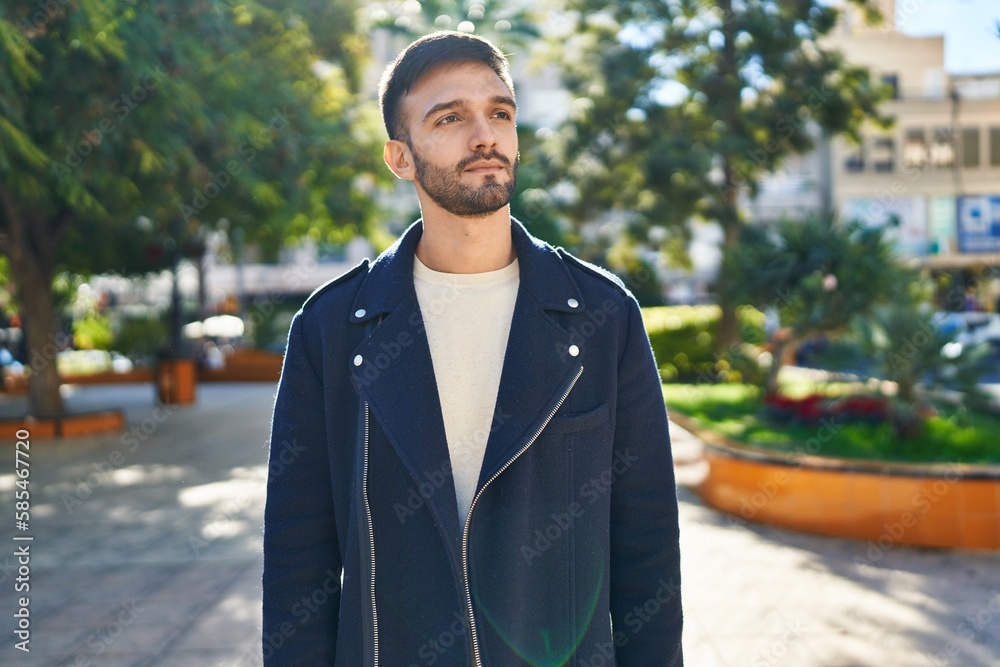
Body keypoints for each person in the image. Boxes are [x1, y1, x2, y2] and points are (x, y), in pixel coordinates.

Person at [262, 31, 683, 666]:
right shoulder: (332, 329)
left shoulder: (603, 317)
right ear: (399, 158)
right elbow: (299, 557)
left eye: (500, 112)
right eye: (450, 117)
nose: (484, 134)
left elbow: (647, 545)